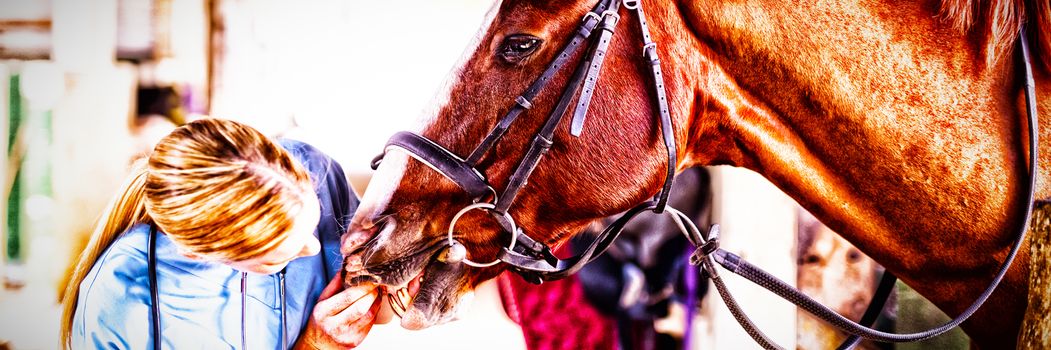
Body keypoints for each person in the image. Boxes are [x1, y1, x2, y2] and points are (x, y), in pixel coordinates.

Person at [59, 118, 381, 349]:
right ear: (198, 254)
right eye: (277, 261)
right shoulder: (118, 307)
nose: (313, 249)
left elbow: (379, 305)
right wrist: (314, 345)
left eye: (312, 223)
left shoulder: (313, 167)